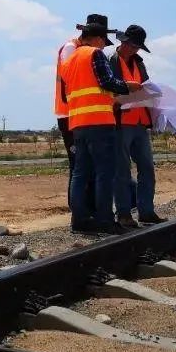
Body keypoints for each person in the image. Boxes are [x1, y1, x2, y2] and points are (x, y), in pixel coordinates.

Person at [60, 15, 141, 234]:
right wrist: (128, 86)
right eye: (104, 41)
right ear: (96, 39)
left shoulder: (68, 62)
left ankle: (79, 221)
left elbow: (67, 95)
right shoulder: (94, 54)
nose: (104, 46)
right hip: (99, 122)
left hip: (78, 123)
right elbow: (107, 81)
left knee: (80, 173)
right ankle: (105, 220)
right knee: (105, 173)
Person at [53, 14, 113, 211]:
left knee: (86, 167)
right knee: (78, 166)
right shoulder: (72, 49)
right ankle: (79, 209)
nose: (103, 46)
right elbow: (74, 79)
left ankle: (86, 209)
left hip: (80, 113)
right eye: (103, 40)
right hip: (71, 114)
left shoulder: (80, 49)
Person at [111, 25, 166, 227]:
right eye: (133, 46)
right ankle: (124, 214)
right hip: (121, 122)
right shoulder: (110, 61)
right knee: (122, 171)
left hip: (140, 122)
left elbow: (146, 88)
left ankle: (146, 211)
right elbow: (108, 90)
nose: (134, 51)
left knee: (147, 168)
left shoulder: (139, 63)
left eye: (137, 48)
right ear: (123, 42)